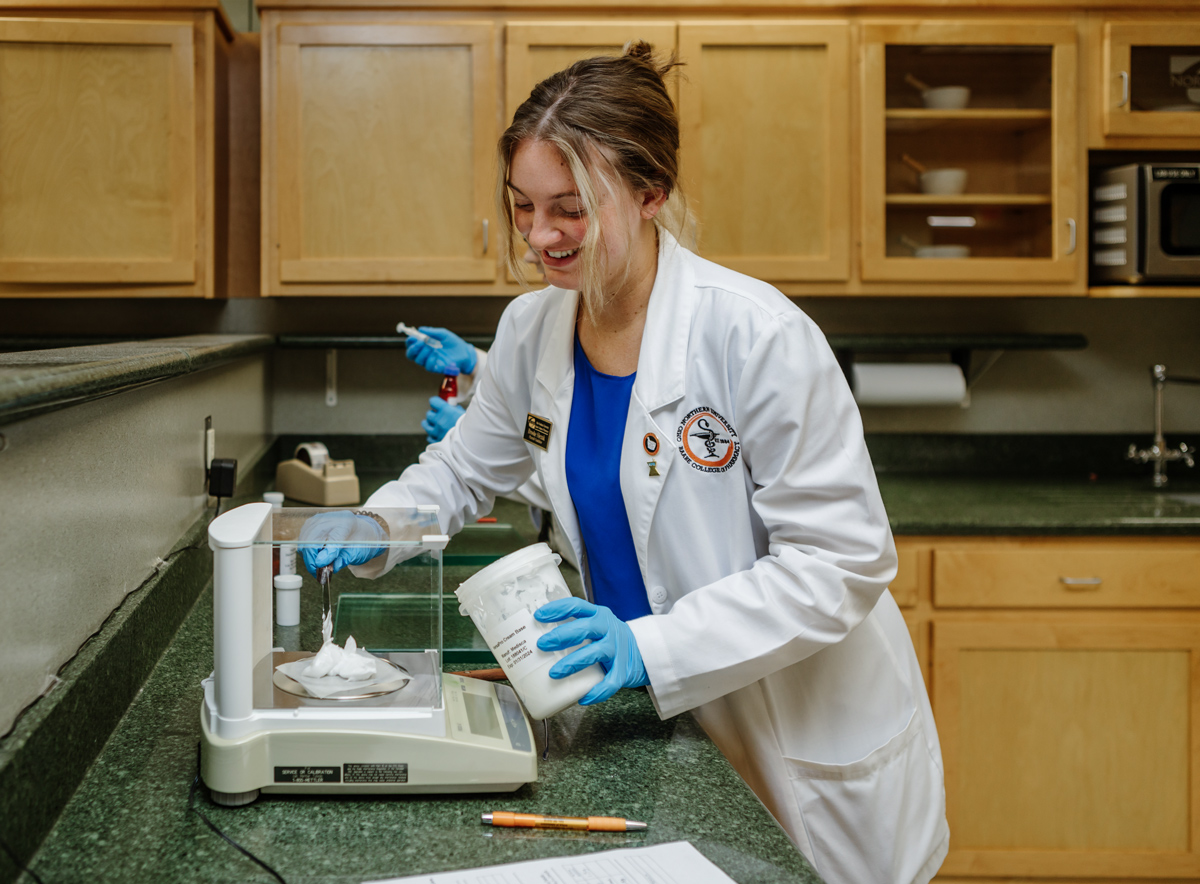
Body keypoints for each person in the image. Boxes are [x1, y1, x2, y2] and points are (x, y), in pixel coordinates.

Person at [301, 43, 948, 884]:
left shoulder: (756, 336)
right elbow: (463, 471)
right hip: (662, 727)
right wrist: (378, 520)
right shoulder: (535, 329)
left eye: (569, 208)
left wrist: (651, 647)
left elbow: (842, 562)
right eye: (523, 207)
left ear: (652, 193)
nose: (539, 236)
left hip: (800, 736)